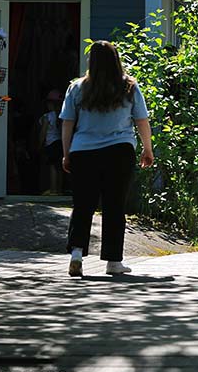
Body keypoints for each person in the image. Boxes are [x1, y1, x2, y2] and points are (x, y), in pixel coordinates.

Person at [61, 40, 154, 277]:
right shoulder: (129, 87)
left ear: (91, 61)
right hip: (119, 151)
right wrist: (147, 149)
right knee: (115, 205)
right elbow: (141, 120)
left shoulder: (77, 88)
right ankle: (113, 261)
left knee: (83, 204)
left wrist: (67, 153)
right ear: (116, 60)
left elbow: (67, 123)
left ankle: (77, 253)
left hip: (84, 152)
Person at [37, 90, 64, 194]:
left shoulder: (47, 116)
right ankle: (59, 189)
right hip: (60, 143)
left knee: (52, 166)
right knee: (60, 167)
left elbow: (43, 132)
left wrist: (39, 144)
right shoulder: (62, 116)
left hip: (51, 143)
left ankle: (53, 189)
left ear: (50, 104)